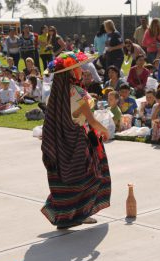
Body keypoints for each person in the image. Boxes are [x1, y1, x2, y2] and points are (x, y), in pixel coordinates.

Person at [41, 51, 111, 229]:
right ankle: (82, 214)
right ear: (71, 73)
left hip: (59, 144)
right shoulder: (78, 93)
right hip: (79, 141)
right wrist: (105, 131)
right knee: (91, 178)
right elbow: (92, 121)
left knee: (66, 182)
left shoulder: (54, 95)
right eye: (78, 68)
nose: (81, 70)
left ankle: (68, 217)